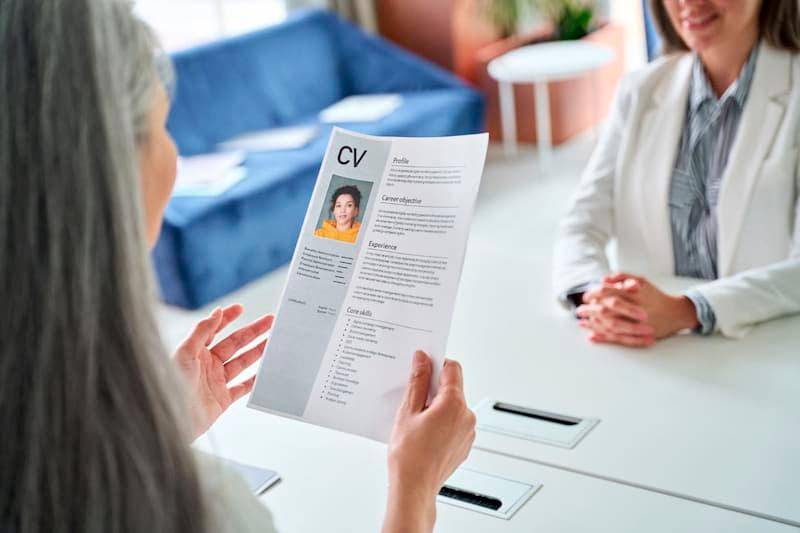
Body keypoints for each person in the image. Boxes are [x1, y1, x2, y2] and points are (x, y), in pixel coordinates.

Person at [0, 1, 476, 533]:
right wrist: (416, 486)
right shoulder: (200, 507)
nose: (174, 153)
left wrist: (161, 428)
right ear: (116, 172)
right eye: (164, 126)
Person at [554, 0, 800, 347]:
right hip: (651, 355)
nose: (689, 3)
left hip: (764, 356)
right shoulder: (639, 90)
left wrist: (687, 309)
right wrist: (596, 296)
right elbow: (581, 225)